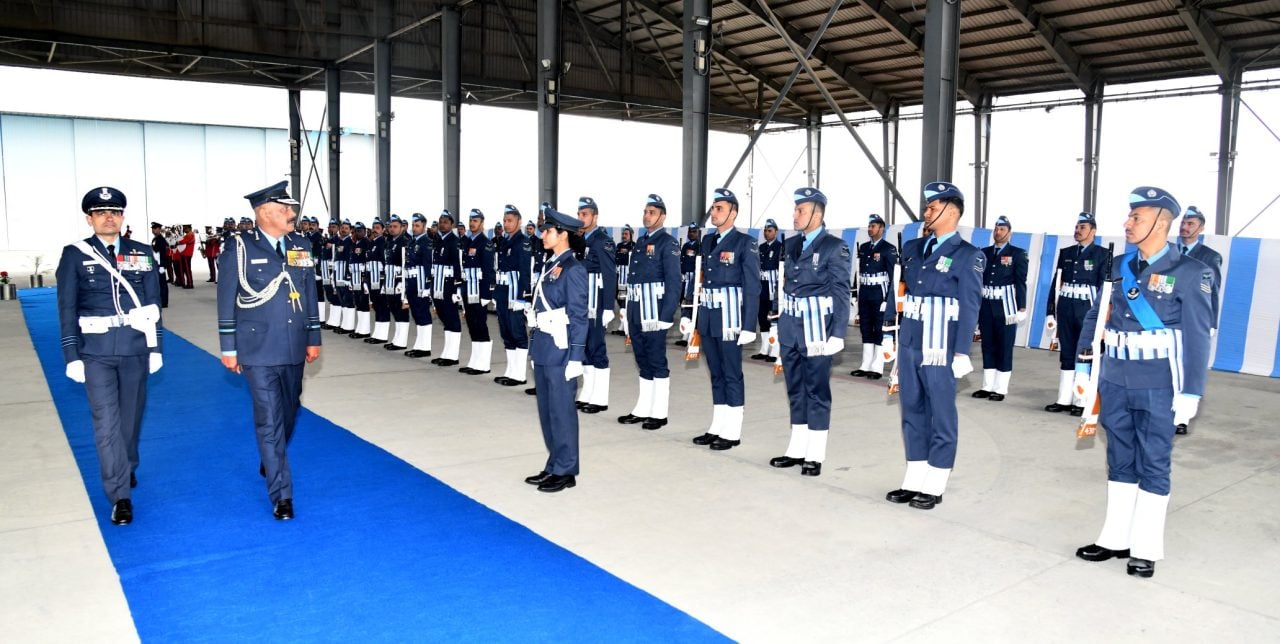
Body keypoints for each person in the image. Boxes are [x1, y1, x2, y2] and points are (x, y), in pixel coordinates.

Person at [1074, 186, 1213, 578]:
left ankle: (1146, 546)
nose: (1128, 223)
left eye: (1137, 217)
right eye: (1130, 216)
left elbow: (1198, 336)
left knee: (1153, 460)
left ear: (1162, 222)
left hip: (1158, 382)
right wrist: (1085, 366)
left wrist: (1191, 392)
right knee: (1119, 456)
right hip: (1115, 377)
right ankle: (1115, 538)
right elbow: (1095, 316)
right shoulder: (1118, 266)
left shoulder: (1191, 273)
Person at [56, 186, 164, 525]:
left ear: (122, 217)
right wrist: (71, 355)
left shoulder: (141, 252)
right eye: (101, 213)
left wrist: (155, 347)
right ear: (89, 218)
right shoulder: (75, 254)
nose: (108, 217)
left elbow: (152, 304)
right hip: (96, 352)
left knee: (130, 420)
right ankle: (119, 495)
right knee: (107, 423)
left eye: (115, 212)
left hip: (134, 348)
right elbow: (67, 307)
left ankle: (127, 463)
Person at [217, 181, 321, 520]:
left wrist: (313, 336)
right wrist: (228, 347)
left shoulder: (301, 245)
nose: (292, 214)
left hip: (293, 346)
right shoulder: (239, 248)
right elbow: (226, 300)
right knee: (269, 419)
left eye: (291, 209)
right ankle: (282, 494)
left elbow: (307, 293)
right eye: (284, 209)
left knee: (290, 411)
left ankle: (270, 456)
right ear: (264, 212)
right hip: (257, 348)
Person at [884, 181, 984, 510]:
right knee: (911, 411)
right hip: (911, 341)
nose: (926, 212)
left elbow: (970, 306)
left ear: (951, 211)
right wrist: (890, 332)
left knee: (941, 414)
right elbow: (900, 293)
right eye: (927, 207)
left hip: (941, 346)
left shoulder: (968, 255)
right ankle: (914, 477)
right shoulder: (912, 248)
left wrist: (961, 353)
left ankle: (936, 480)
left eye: (932, 207)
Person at [768, 188, 851, 477]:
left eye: (800, 210)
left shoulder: (834, 246)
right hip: (791, 328)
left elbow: (841, 291)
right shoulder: (790, 244)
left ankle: (814, 453)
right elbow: (786, 286)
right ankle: (796, 448)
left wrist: (838, 333)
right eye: (795, 210)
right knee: (795, 389)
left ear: (817, 214)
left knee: (816, 390)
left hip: (818, 330)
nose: (795, 215)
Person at [683, 189, 761, 450]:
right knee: (715, 372)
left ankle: (733, 431)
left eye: (719, 208)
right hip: (708, 316)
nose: (714, 212)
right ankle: (717, 425)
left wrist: (749, 325)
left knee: (731, 373)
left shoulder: (744, 242)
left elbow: (752, 285)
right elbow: (699, 280)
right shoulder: (707, 241)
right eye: (713, 208)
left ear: (733, 213)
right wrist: (688, 313)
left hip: (730, 318)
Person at [524, 205, 589, 493]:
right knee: (547, 411)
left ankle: (566, 469)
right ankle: (554, 464)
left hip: (562, 351)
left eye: (548, 230)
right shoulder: (550, 264)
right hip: (544, 348)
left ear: (563, 234)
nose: (543, 235)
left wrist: (577, 355)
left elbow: (578, 315)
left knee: (562, 412)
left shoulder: (573, 268)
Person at [616, 194, 681, 430]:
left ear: (662, 216)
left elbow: (675, 282)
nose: (646, 216)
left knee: (656, 360)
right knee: (642, 359)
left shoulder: (668, 243)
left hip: (655, 311)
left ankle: (659, 412)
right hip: (636, 309)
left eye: (652, 212)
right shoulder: (641, 242)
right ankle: (643, 408)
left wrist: (666, 316)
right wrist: (627, 311)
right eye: (645, 211)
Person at [1045, 212, 1111, 415]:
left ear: (1093, 230)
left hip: (1087, 309)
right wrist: (1051, 311)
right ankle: (1064, 398)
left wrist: (1103, 318)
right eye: (1076, 227)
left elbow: (1104, 289)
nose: (1077, 230)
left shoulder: (1102, 255)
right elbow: (1057, 284)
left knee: (1085, 354)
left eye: (1082, 227)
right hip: (1066, 306)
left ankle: (1081, 400)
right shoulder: (1066, 253)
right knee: (1066, 353)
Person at [971, 216, 1028, 401]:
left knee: (1004, 346)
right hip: (986, 304)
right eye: (996, 229)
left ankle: (1001, 388)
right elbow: (976, 279)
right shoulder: (984, 252)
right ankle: (987, 386)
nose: (998, 232)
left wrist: (1022, 307)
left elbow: (1020, 282)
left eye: (1002, 229)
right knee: (987, 345)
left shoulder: (1018, 254)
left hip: (1007, 305)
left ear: (1009, 232)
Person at [574, 197, 617, 413]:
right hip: (582, 302)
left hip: (597, 302)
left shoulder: (603, 240)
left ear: (595, 216)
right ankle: (587, 393)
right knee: (584, 349)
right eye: (579, 214)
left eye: (585, 214)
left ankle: (600, 398)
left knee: (597, 348)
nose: (581, 218)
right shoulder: (580, 240)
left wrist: (609, 306)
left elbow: (610, 275)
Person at [850, 213, 899, 379]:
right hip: (865, 293)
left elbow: (894, 276)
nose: (870, 229)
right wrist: (856, 293)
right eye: (869, 226)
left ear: (881, 228)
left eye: (873, 226)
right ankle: (865, 364)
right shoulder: (864, 248)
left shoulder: (888, 248)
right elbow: (859, 271)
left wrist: (888, 300)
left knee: (879, 328)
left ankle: (877, 366)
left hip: (880, 294)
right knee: (865, 327)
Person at [494, 205, 534, 385]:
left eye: (510, 220)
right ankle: (510, 371)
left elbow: (525, 271)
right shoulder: (504, 241)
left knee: (517, 332)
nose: (506, 224)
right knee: (506, 332)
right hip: (503, 291)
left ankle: (519, 375)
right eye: (504, 221)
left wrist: (524, 297)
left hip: (515, 292)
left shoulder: (523, 242)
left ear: (519, 221)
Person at [458, 209, 496, 375]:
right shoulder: (466, 241)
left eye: (475, 220)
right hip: (468, 289)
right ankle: (475, 361)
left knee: (480, 324)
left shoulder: (485, 243)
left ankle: (484, 364)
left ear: (482, 223)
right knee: (472, 325)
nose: (472, 223)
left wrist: (487, 294)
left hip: (479, 290)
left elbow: (488, 270)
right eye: (471, 220)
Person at [430, 211, 465, 367]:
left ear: (451, 224)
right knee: (444, 318)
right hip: (438, 284)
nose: (442, 224)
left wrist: (457, 290)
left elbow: (458, 266)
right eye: (440, 221)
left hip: (449, 285)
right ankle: (446, 353)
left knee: (452, 319)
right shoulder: (438, 240)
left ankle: (453, 355)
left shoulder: (454, 241)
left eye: (445, 222)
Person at [403, 213, 435, 358]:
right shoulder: (411, 242)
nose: (414, 228)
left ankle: (425, 347)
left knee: (423, 313)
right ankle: (419, 345)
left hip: (421, 281)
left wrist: (428, 286)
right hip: (411, 281)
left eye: (417, 226)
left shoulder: (426, 242)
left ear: (424, 226)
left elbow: (428, 264)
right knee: (416, 313)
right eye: (413, 225)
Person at [751, 219, 783, 361]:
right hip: (761, 290)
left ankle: (775, 351)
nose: (766, 233)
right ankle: (764, 349)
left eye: (769, 230)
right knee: (763, 320)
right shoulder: (761, 248)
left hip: (774, 291)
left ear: (776, 232)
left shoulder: (780, 248)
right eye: (765, 230)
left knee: (774, 321)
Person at [380, 215, 413, 350]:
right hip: (389, 279)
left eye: (395, 226)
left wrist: (402, 282)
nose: (392, 229)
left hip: (399, 279)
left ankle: (402, 341)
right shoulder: (390, 241)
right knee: (394, 308)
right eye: (390, 227)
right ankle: (397, 338)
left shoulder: (404, 242)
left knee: (401, 310)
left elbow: (407, 263)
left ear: (401, 227)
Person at [365, 219, 391, 344]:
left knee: (382, 306)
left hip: (379, 279)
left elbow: (385, 263)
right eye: (373, 227)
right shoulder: (371, 243)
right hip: (371, 278)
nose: (375, 230)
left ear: (382, 230)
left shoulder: (382, 243)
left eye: (377, 228)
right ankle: (377, 333)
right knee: (376, 305)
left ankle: (382, 335)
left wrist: (385, 281)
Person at [677, 224, 701, 347]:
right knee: (684, 305)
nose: (691, 233)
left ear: (698, 233)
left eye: (694, 231)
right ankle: (685, 334)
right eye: (690, 231)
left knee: (692, 307)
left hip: (694, 281)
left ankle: (692, 334)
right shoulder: (685, 246)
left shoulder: (700, 247)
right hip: (684, 279)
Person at [348, 221, 373, 339]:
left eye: (360, 231)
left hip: (362, 275)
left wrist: (365, 279)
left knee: (363, 302)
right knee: (357, 301)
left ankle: (365, 330)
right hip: (355, 275)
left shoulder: (366, 243)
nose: (357, 233)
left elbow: (367, 261)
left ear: (365, 231)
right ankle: (360, 328)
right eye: (356, 231)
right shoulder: (355, 243)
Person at [611, 225, 635, 336]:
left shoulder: (634, 246)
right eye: (623, 234)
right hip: (618, 277)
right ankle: (622, 325)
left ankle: (625, 326)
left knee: (626, 301)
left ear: (631, 235)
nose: (624, 236)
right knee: (620, 300)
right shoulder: (619, 245)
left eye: (626, 234)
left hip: (628, 278)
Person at [150, 222, 170, 309]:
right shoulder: (156, 239)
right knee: (159, 283)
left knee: (162, 283)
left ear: (159, 229)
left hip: (160, 263)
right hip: (157, 263)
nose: (153, 230)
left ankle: (164, 301)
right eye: (153, 229)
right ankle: (161, 300)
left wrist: (162, 265)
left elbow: (163, 253)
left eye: (155, 229)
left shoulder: (161, 239)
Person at [175, 224, 196, 289]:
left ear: (190, 228)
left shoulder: (191, 234)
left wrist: (177, 242)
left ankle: (190, 284)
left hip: (187, 254)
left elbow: (184, 241)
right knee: (184, 269)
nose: (184, 229)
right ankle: (184, 282)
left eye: (185, 228)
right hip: (184, 254)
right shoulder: (187, 235)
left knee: (187, 269)